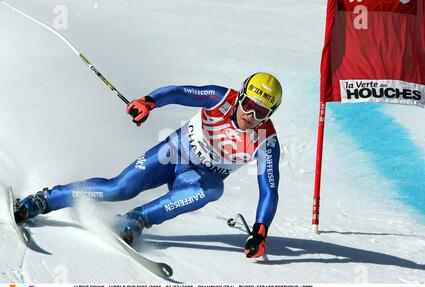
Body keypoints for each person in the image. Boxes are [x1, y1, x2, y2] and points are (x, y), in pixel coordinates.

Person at [14, 72, 282, 259]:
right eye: (248, 104)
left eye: (262, 112)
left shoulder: (265, 141)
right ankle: (44, 200)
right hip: (173, 153)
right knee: (119, 189)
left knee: (213, 190)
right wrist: (148, 102)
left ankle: (135, 220)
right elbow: (178, 93)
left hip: (198, 179)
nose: (251, 115)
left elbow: (268, 190)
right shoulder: (220, 98)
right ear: (240, 97)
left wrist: (260, 233)